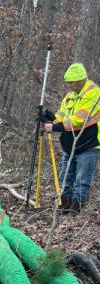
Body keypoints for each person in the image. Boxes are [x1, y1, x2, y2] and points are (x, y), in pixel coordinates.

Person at [42, 63, 100, 212]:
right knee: (65, 177)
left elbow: (81, 119)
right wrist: (50, 120)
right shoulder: (70, 96)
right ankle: (64, 205)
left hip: (89, 144)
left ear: (81, 79)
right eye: (68, 82)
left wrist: (56, 127)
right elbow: (62, 115)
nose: (69, 85)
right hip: (70, 144)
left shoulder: (94, 93)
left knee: (81, 180)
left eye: (72, 82)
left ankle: (76, 209)